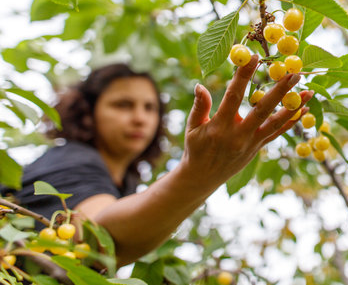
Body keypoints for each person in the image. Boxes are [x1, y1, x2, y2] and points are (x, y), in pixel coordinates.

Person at [1, 55, 313, 267]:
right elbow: (99, 236)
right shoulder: (70, 157)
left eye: (150, 108)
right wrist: (198, 176)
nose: (139, 118)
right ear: (87, 111)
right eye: (123, 104)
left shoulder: (126, 185)